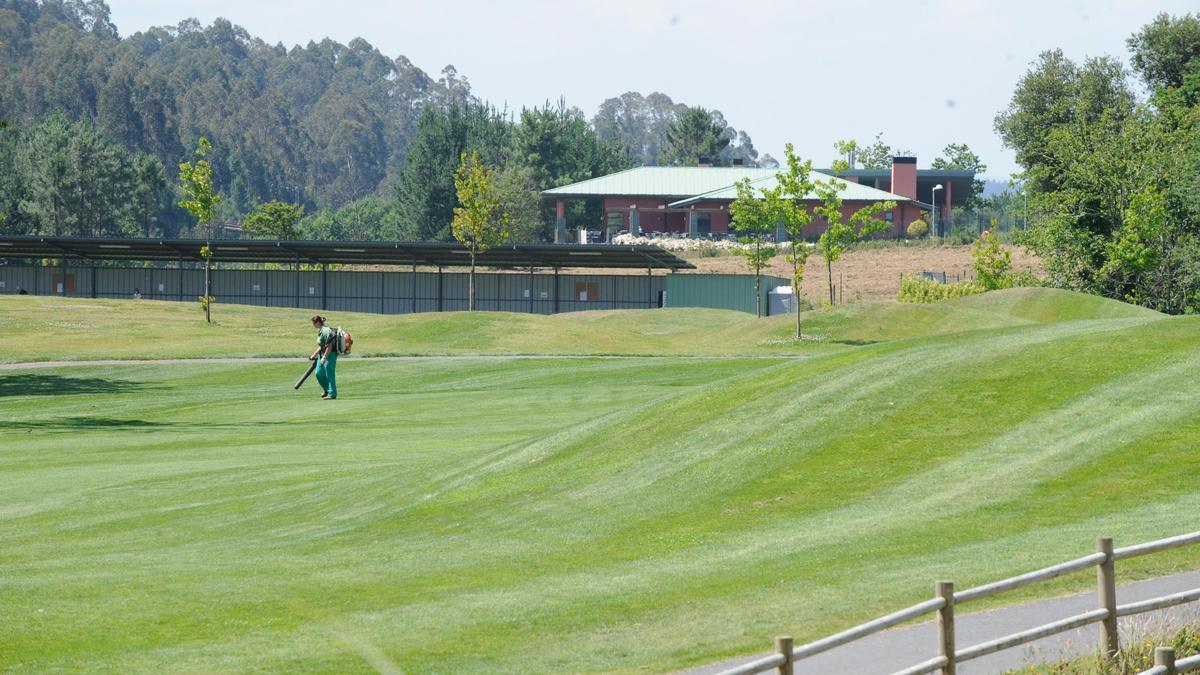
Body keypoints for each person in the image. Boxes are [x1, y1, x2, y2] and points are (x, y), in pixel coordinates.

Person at [309, 315, 337, 400]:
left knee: (329, 374)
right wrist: (314, 355)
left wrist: (324, 357)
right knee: (318, 373)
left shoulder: (326, 330)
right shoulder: (321, 330)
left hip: (330, 355)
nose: (313, 325)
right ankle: (327, 390)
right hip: (322, 355)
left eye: (313, 323)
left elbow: (330, 345)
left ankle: (332, 394)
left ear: (317, 322)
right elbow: (322, 346)